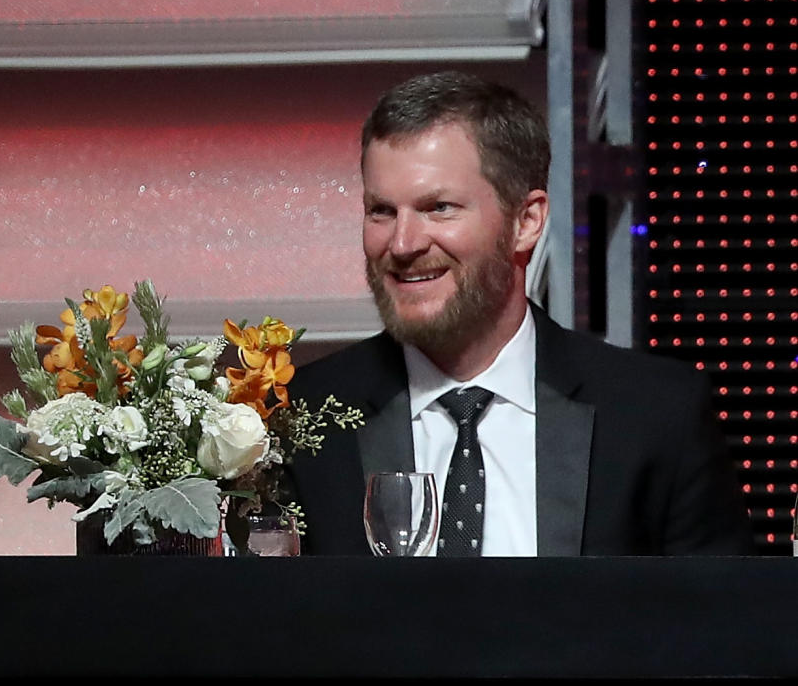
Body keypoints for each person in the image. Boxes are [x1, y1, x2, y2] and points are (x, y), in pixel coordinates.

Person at [287, 71, 754, 556]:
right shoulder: (300, 420)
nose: (402, 244)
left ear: (526, 222)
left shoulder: (655, 416)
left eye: (438, 208)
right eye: (381, 211)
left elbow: (722, 624)